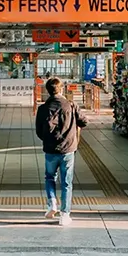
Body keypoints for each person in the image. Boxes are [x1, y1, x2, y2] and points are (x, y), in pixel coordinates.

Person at [35, 77, 87, 226]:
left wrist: (48, 140)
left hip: (50, 149)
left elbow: (39, 131)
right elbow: (84, 121)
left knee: (50, 177)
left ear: (48, 91)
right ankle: (65, 214)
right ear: (61, 89)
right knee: (66, 182)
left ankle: (52, 204)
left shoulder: (43, 108)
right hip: (68, 149)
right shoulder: (71, 105)